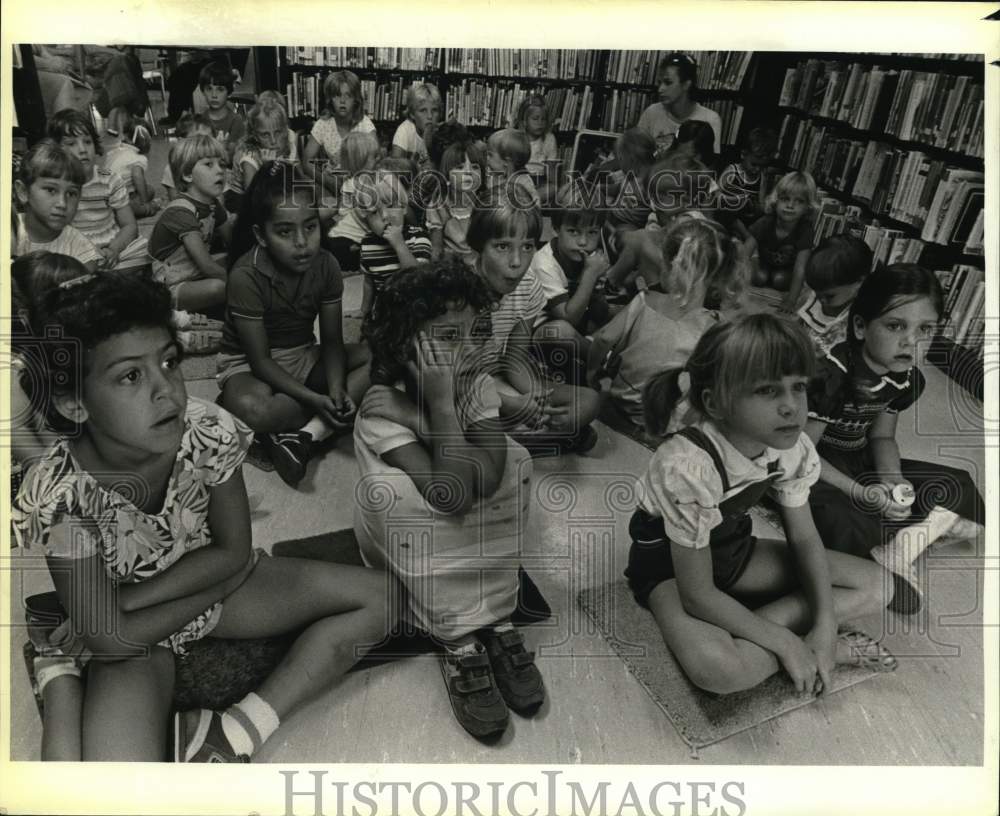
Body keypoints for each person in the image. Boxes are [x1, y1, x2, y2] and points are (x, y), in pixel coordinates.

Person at [11, 269, 390, 762]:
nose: (167, 390)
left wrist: (128, 603)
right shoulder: (60, 495)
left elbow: (233, 550)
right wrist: (211, 583)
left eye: (169, 362)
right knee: (114, 792)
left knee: (387, 599)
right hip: (134, 643)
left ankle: (233, 734)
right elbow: (106, 640)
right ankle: (59, 676)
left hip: (175, 597)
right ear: (74, 403)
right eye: (130, 375)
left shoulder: (206, 428)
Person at [627, 313, 897, 697]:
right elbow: (697, 594)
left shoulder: (791, 446)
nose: (791, 406)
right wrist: (786, 642)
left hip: (732, 552)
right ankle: (789, 642)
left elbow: (804, 539)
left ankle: (777, 634)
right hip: (670, 570)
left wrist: (825, 623)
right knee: (720, 672)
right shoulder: (687, 465)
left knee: (879, 585)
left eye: (799, 387)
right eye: (768, 391)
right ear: (715, 403)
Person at [355, 259, 544, 739]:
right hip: (414, 544)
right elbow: (454, 494)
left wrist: (427, 420)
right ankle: (456, 636)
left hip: (471, 536)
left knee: (510, 470)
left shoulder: (476, 387)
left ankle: (495, 619)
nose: (467, 352)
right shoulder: (381, 408)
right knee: (424, 505)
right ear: (403, 345)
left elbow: (489, 471)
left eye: (474, 334)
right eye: (447, 337)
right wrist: (439, 408)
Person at [805, 264, 985, 613]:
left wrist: (892, 478)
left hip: (861, 458)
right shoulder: (833, 376)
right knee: (842, 519)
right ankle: (901, 547)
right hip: (819, 465)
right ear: (860, 327)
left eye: (925, 329)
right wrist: (858, 490)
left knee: (958, 485)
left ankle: (902, 546)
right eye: (895, 326)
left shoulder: (907, 379)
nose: (911, 341)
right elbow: (800, 453)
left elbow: (883, 437)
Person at [219, 162, 370, 488]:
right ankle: (314, 421)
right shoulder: (245, 276)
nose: (302, 242)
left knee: (381, 358)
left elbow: (331, 341)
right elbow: (259, 361)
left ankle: (305, 436)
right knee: (257, 410)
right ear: (261, 235)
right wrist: (318, 399)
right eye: (285, 232)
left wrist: (336, 388)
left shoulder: (327, 266)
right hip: (249, 366)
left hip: (303, 354)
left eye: (311, 227)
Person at [468, 196, 602, 454]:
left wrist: (534, 399)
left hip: (497, 380)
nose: (517, 261)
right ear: (479, 247)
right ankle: (546, 439)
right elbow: (458, 376)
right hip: (463, 384)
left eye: (528, 246)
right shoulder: (459, 290)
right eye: (503, 247)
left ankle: (524, 437)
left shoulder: (528, 286)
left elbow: (515, 360)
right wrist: (510, 404)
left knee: (589, 401)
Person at [588, 217, 745, 434]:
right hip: (667, 422)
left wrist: (592, 371)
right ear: (718, 276)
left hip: (621, 405)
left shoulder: (645, 300)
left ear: (667, 261)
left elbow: (603, 338)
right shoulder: (715, 326)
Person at [47, 109, 147, 271]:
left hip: (112, 245)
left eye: (87, 142)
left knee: (144, 252)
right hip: (76, 250)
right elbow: (55, 231)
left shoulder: (110, 180)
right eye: (71, 144)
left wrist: (114, 249)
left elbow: (129, 225)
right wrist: (87, 252)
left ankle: (102, 278)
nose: (82, 149)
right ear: (57, 151)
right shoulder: (55, 187)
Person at [605, 154, 714, 294]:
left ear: (687, 200)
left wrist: (628, 237)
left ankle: (610, 282)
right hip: (672, 279)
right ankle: (617, 284)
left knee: (639, 240)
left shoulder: (689, 222)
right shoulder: (677, 216)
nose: (652, 201)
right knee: (637, 247)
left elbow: (659, 242)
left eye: (661, 196)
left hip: (682, 287)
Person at [528, 180, 611, 335]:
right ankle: (601, 357)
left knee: (625, 314)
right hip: (543, 329)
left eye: (592, 232)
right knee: (560, 331)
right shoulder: (544, 263)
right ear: (556, 229)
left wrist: (597, 286)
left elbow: (600, 313)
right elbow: (567, 319)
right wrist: (590, 276)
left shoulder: (591, 259)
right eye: (573, 231)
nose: (583, 242)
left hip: (578, 320)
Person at [355, 158, 432, 319]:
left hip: (415, 312)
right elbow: (369, 282)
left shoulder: (418, 238)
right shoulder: (368, 244)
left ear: (404, 208)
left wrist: (400, 246)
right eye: (374, 212)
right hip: (384, 314)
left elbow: (419, 279)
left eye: (391, 206)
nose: (384, 216)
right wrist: (364, 310)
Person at [13, 141, 101, 271]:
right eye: (51, 190)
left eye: (71, 193)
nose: (62, 203)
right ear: (23, 192)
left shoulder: (82, 253)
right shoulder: (8, 231)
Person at [746, 170, 818, 312]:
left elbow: (800, 268)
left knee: (779, 279)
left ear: (807, 207)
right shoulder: (765, 222)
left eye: (799, 201)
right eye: (785, 199)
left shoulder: (805, 230)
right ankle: (758, 266)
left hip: (787, 269)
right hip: (763, 263)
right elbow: (743, 254)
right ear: (775, 200)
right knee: (760, 277)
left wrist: (791, 301)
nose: (790, 205)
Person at [301, 70, 376, 200]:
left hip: (360, 183)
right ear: (330, 99)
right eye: (337, 95)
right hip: (330, 182)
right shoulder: (323, 124)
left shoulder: (365, 125)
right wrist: (328, 181)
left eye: (348, 95)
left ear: (356, 100)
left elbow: (374, 162)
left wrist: (354, 184)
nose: (342, 101)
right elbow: (306, 162)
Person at [797, 234, 872, 357]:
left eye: (829, 296)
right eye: (816, 292)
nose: (820, 300)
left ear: (859, 282)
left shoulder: (859, 315)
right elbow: (797, 325)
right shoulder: (815, 295)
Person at [637, 53, 723, 157]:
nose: (660, 89)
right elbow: (636, 154)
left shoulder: (710, 119)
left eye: (668, 82)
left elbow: (709, 166)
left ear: (686, 84)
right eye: (659, 83)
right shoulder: (651, 112)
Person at [424, 121, 485, 263]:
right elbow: (436, 249)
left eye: (475, 167)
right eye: (460, 167)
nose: (468, 172)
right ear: (446, 175)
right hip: (452, 263)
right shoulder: (438, 205)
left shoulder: (486, 201)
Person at [324, 131, 382, 272]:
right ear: (361, 161)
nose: (379, 159)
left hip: (338, 236)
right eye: (374, 157)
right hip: (349, 241)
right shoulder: (362, 186)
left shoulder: (351, 181)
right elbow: (373, 220)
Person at [225, 99, 296, 213]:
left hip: (274, 192)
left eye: (278, 132)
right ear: (255, 136)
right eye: (265, 135)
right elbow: (254, 200)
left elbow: (298, 174)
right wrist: (267, 168)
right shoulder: (249, 159)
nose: (273, 141)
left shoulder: (289, 140)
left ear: (286, 129)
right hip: (243, 200)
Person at [717, 127, 777, 243]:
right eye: (754, 164)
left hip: (747, 219)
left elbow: (761, 206)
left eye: (762, 166)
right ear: (743, 154)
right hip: (728, 215)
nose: (757, 170)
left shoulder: (761, 177)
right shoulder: (732, 171)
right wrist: (735, 200)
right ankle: (744, 237)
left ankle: (744, 238)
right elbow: (716, 195)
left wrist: (755, 206)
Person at [102, 107, 161, 218]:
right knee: (149, 190)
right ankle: (147, 208)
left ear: (125, 136)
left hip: (103, 198)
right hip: (118, 200)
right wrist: (145, 202)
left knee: (145, 190)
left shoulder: (114, 151)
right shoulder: (137, 158)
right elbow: (137, 176)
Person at [515, 95, 560, 206]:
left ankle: (529, 202)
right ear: (524, 121)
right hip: (519, 179)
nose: (540, 123)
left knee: (553, 189)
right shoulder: (515, 137)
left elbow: (552, 176)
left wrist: (547, 187)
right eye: (535, 119)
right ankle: (525, 201)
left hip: (539, 182)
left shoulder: (549, 139)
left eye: (543, 119)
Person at [197, 60, 246, 159]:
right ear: (203, 91)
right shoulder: (199, 121)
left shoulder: (236, 121)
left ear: (229, 91)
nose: (214, 95)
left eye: (220, 89)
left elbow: (232, 158)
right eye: (209, 89)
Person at [160, 112, 215, 200]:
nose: (205, 145)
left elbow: (219, 195)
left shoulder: (214, 165)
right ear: (181, 142)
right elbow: (175, 200)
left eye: (209, 140)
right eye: (198, 139)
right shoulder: (173, 168)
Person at [484, 128, 540, 210]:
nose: (487, 158)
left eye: (490, 155)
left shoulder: (523, 183)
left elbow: (536, 208)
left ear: (507, 161)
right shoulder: (493, 175)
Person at [390, 82, 441, 170]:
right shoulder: (405, 130)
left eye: (434, 110)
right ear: (412, 114)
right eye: (423, 110)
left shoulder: (442, 132)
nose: (430, 116)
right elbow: (395, 168)